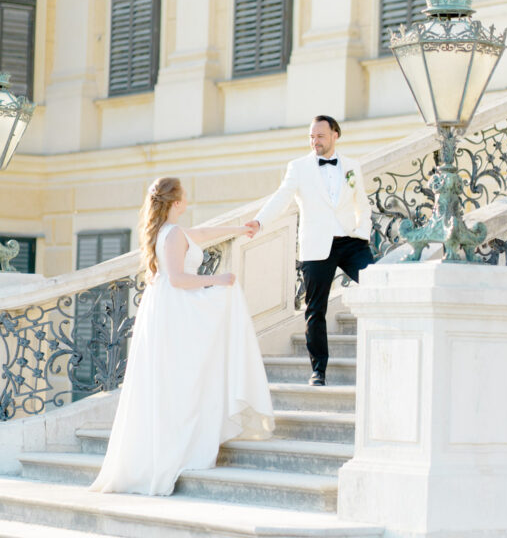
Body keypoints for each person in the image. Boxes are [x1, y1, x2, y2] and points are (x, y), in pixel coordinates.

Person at [90, 176, 274, 496]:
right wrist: (218, 279)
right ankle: (179, 449)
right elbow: (177, 279)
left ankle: (181, 443)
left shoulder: (169, 231)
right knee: (183, 380)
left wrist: (239, 229)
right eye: (184, 196)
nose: (187, 200)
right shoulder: (172, 233)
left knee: (179, 380)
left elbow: (201, 234)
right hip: (177, 310)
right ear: (176, 202)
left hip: (168, 308)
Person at [247, 115, 374, 387]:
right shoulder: (298, 167)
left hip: (351, 242)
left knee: (378, 286)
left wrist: (363, 231)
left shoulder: (352, 166)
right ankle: (318, 371)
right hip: (317, 246)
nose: (315, 141)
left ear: (335, 135)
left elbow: (362, 204)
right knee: (315, 310)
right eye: (312, 137)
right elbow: (281, 197)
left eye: (320, 136)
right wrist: (259, 222)